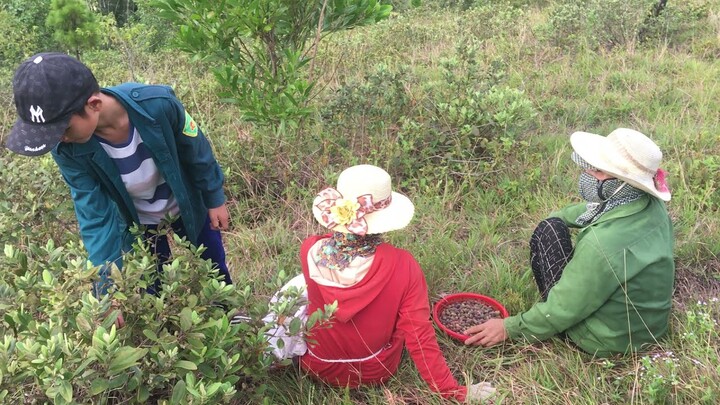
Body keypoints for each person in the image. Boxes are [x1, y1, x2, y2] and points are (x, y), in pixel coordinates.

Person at [4, 52, 233, 325]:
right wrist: (106, 288)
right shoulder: (66, 150)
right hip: (138, 219)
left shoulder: (157, 105)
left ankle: (230, 313)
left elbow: (196, 150)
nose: (59, 139)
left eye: (62, 128)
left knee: (212, 260)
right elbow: (95, 216)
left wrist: (214, 197)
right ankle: (168, 329)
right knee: (153, 279)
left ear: (94, 104)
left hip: (186, 203)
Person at [464, 128, 674, 357]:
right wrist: (558, 217)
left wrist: (509, 327)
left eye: (596, 170)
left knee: (547, 233)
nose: (586, 172)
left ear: (621, 184)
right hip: (648, 329)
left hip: (605, 341)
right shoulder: (651, 206)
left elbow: (565, 308)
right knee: (553, 224)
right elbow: (592, 210)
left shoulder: (602, 244)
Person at [293, 164, 495, 402]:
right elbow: (419, 334)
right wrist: (453, 391)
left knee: (295, 288)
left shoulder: (309, 249)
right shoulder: (403, 264)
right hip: (376, 371)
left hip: (318, 367)